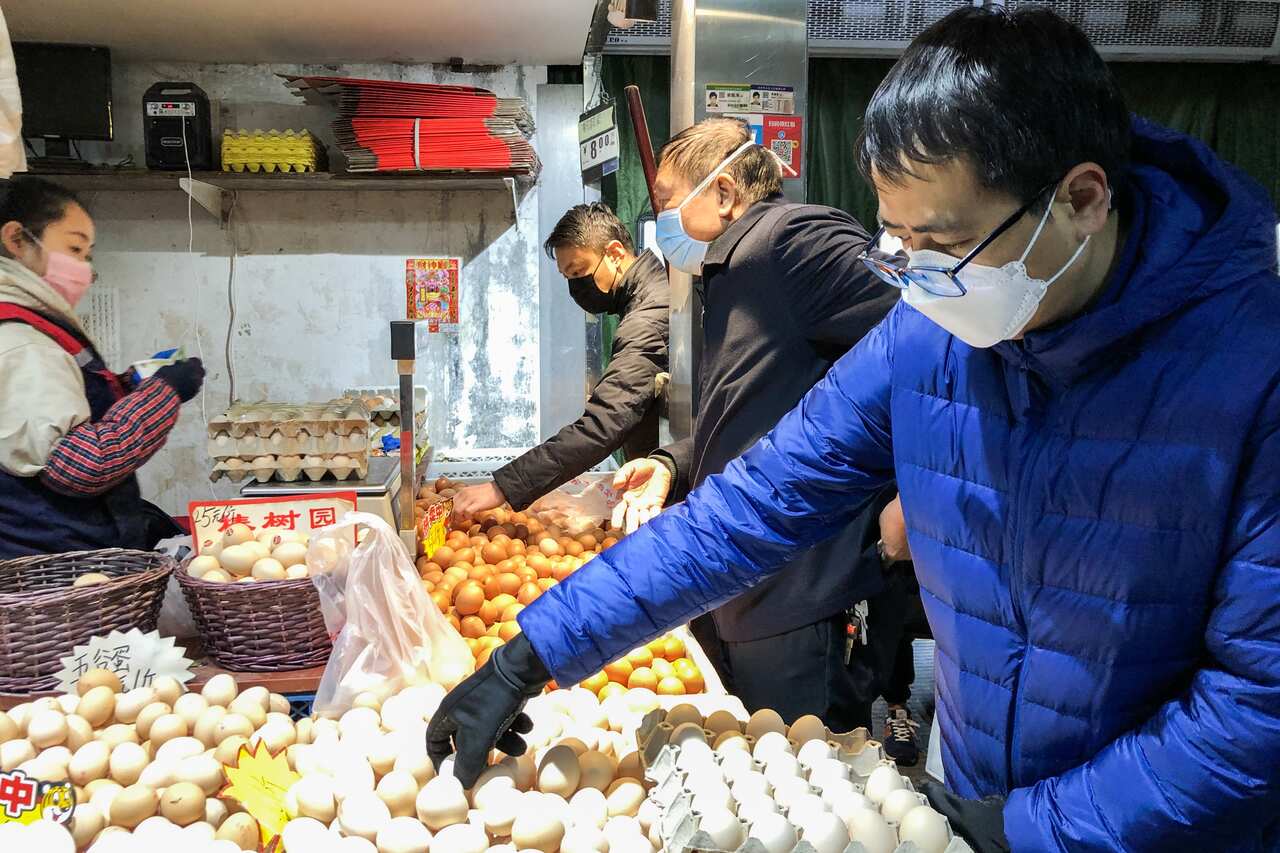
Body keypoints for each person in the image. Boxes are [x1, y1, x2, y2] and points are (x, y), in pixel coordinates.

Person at [428, 7, 1280, 851]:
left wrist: (1026, 828)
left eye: (942, 241)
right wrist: (534, 650)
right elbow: (748, 508)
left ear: (1081, 199)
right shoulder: (929, 335)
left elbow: (1259, 702)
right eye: (900, 242)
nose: (922, 274)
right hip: (980, 799)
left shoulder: (1251, 369)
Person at [607, 116, 898, 733]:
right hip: (741, 575)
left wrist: (908, 498)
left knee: (806, 771)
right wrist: (673, 462)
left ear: (722, 191)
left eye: (665, 200)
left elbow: (923, 345)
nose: (661, 221)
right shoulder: (732, 272)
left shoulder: (794, 238)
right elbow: (753, 412)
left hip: (795, 585)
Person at [0, 177, 204, 558]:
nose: (83, 269)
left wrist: (131, 387)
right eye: (74, 248)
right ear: (17, 240)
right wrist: (164, 394)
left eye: (87, 255)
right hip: (54, 568)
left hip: (65, 551)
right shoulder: (19, 340)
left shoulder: (32, 327)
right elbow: (82, 464)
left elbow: (60, 415)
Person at [451, 203, 668, 518]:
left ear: (616, 254)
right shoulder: (646, 300)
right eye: (567, 276)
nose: (576, 286)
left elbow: (603, 425)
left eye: (579, 272)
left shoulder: (647, 319)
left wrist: (501, 488)